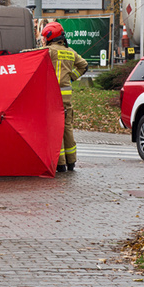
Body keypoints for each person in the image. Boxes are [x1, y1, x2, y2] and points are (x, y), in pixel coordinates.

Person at [41, 21, 88, 173]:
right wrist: (71, 78)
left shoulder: (48, 51)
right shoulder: (70, 51)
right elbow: (84, 65)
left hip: (53, 97)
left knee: (56, 127)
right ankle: (71, 161)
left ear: (50, 36)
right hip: (66, 98)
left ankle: (60, 163)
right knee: (67, 127)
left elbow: (30, 54)